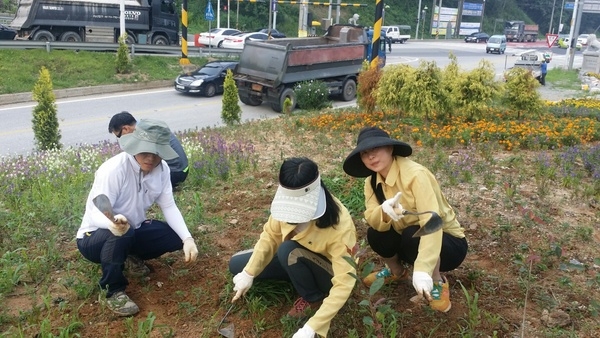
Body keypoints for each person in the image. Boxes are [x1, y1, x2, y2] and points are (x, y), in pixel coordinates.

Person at [76, 119, 199, 316]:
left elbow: (168, 205)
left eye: (157, 153)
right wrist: (112, 224)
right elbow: (95, 212)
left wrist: (187, 238)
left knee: (173, 236)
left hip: (132, 229)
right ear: (134, 147)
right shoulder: (114, 170)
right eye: (145, 151)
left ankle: (129, 255)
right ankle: (113, 291)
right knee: (123, 233)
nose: (150, 158)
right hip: (94, 237)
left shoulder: (162, 170)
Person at [342, 127, 468, 313]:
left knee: (413, 234)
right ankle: (397, 272)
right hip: (407, 238)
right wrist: (383, 211)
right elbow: (371, 217)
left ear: (390, 149)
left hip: (447, 243)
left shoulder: (416, 176)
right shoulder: (371, 182)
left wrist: (423, 269)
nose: (371, 157)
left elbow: (432, 222)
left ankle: (436, 283)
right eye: (365, 153)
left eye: (375, 149)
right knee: (376, 233)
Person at [228, 157, 357, 338]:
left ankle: (312, 297)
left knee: (288, 250)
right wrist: (248, 274)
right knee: (236, 265)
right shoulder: (284, 207)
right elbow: (270, 236)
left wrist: (313, 327)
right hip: (293, 255)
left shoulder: (340, 226)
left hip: (327, 272)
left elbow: (345, 280)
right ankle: (296, 274)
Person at [108, 111, 189, 189]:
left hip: (176, 173)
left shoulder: (142, 134)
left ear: (126, 129)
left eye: (119, 136)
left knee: (133, 179)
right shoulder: (145, 125)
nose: (120, 139)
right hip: (183, 169)